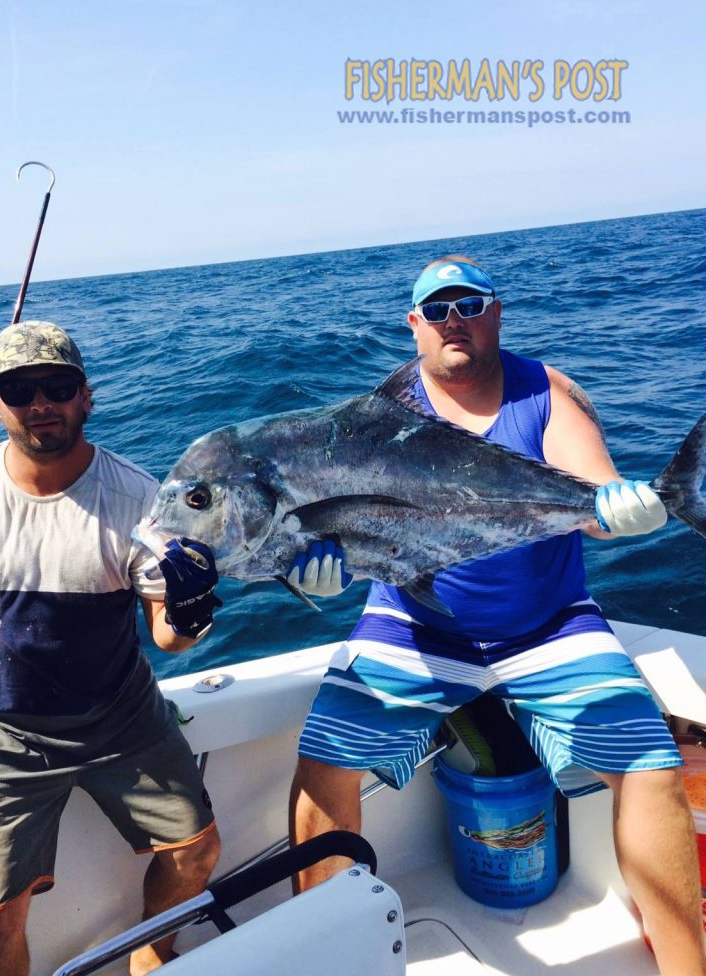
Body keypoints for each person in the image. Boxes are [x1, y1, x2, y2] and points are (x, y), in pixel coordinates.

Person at [287, 256, 706, 976]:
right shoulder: (374, 418)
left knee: (650, 767)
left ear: (496, 312)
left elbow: (594, 492)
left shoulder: (547, 389)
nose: (455, 322)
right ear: (413, 325)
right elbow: (336, 524)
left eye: (469, 305)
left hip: (548, 623)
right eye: (438, 310)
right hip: (413, 623)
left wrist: (621, 508)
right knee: (324, 767)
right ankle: (334, 961)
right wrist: (311, 570)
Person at [0, 321, 226, 976]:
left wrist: (191, 606)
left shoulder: (140, 501)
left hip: (120, 718)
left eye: (58, 385)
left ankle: (150, 960)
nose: (40, 402)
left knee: (196, 851)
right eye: (19, 390)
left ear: (86, 398)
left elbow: (169, 639)